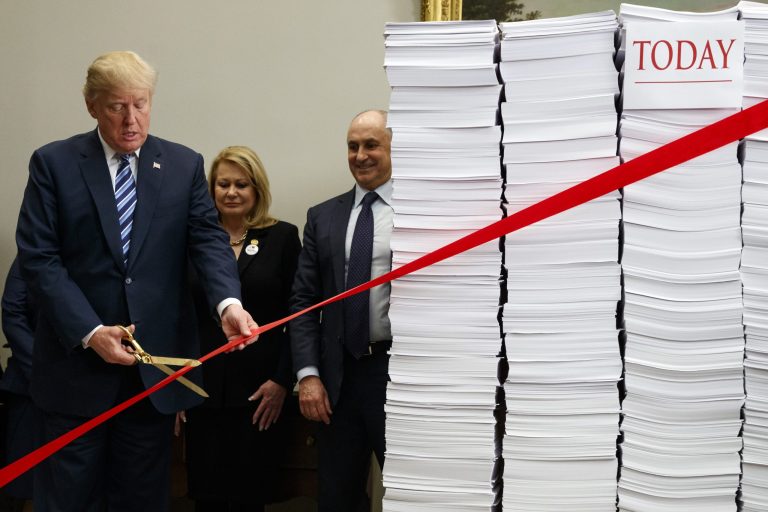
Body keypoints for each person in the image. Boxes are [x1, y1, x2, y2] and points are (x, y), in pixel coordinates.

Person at [14, 51, 257, 512]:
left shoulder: (183, 165)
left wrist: (228, 303)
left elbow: (207, 241)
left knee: (141, 500)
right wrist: (89, 332)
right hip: (75, 376)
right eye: (116, 107)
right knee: (68, 500)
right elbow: (40, 259)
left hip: (151, 381)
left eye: (141, 104)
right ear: (91, 105)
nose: (131, 120)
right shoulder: (54, 164)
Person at [184, 146, 301, 511]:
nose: (231, 192)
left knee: (252, 496)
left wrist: (283, 380)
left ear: (256, 190)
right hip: (200, 392)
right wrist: (174, 385)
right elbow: (177, 315)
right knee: (206, 497)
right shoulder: (192, 241)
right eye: (223, 184)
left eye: (241, 184)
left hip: (260, 394)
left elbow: (298, 318)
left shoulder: (282, 237)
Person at [290, 109, 393, 512]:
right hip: (337, 380)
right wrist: (308, 375)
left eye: (371, 145)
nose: (360, 155)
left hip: (396, 375)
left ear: (392, 148)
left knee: (410, 489)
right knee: (337, 497)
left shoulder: (420, 213)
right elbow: (302, 302)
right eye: (353, 146)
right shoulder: (323, 217)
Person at [0, 257, 37, 511]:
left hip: (94, 390)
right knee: (17, 489)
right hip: (29, 386)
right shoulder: (34, 249)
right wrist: (43, 373)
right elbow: (13, 312)